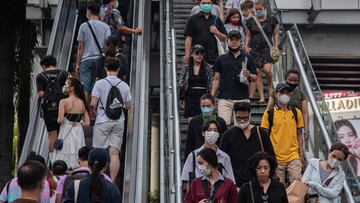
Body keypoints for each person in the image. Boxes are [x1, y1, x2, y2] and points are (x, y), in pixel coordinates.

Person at [90, 56, 132, 182]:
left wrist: (93, 113)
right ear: (119, 69)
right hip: (118, 121)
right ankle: (112, 182)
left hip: (102, 120)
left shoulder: (99, 84)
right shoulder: (124, 85)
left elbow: (93, 103)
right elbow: (128, 105)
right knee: (114, 153)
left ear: (105, 68)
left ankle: (97, 179)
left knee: (99, 151)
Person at [220, 102, 275, 188]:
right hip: (235, 184)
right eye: (239, 118)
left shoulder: (261, 133)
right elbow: (222, 161)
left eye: (245, 118)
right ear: (234, 115)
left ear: (250, 115)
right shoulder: (227, 135)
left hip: (259, 183)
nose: (242, 120)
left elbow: (272, 158)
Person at [261, 83, 304, 186]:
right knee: (278, 186)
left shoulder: (296, 112)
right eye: (282, 92)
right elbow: (264, 136)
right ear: (276, 94)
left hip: (293, 155)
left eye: (287, 93)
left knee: (297, 181)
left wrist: (301, 154)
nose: (285, 95)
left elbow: (299, 134)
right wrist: (266, 155)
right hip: (275, 156)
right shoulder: (268, 114)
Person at [211, 30, 257, 125]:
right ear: (227, 41)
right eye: (231, 39)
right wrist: (211, 96)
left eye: (236, 39)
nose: (234, 42)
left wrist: (249, 75)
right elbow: (216, 79)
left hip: (242, 98)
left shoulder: (248, 58)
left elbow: (255, 78)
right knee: (222, 126)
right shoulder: (220, 59)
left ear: (241, 41)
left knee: (243, 127)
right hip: (224, 98)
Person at [182, 120, 235, 192]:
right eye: (209, 130)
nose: (212, 133)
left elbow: (230, 182)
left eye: (215, 130)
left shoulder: (225, 157)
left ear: (219, 134)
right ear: (203, 133)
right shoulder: (193, 156)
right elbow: (187, 181)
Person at [76, 3, 111, 103]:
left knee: (86, 89)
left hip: (86, 61)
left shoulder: (83, 26)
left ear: (89, 12)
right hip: (100, 60)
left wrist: (78, 64)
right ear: (99, 13)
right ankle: (96, 111)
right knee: (99, 86)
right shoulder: (105, 27)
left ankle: (87, 113)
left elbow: (80, 47)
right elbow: (108, 45)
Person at [53, 77, 90, 169]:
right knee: (77, 150)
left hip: (66, 129)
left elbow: (60, 120)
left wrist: (58, 119)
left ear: (72, 88)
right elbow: (87, 123)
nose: (64, 86)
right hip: (78, 130)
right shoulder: (82, 102)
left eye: (66, 84)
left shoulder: (63, 101)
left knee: (65, 150)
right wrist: (78, 123)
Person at [246, 0, 279, 104]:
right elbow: (248, 35)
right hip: (254, 49)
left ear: (265, 9)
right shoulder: (251, 20)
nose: (258, 11)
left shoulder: (272, 20)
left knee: (267, 69)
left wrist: (276, 46)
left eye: (260, 9)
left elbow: (275, 34)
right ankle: (261, 97)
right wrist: (246, 46)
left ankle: (270, 85)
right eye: (256, 9)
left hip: (267, 49)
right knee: (257, 73)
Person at [36, 55, 68, 156]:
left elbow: (41, 94)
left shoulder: (40, 76)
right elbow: (68, 90)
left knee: (51, 135)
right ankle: (63, 158)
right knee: (64, 134)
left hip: (49, 110)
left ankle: (52, 162)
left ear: (44, 65)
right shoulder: (64, 73)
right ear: (55, 63)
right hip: (63, 108)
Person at [267, 70, 310, 140]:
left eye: (295, 81)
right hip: (278, 126)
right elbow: (269, 109)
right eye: (290, 80)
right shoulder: (276, 92)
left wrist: (306, 129)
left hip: (295, 126)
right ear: (285, 79)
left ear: (298, 82)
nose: (293, 82)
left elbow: (305, 113)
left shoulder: (301, 94)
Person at [183, 0, 227, 65]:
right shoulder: (192, 19)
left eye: (208, 3)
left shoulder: (217, 19)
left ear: (212, 5)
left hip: (213, 58)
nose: (206, 5)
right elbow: (188, 38)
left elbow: (225, 38)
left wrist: (217, 32)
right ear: (199, 5)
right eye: (204, 3)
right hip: (196, 57)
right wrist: (187, 55)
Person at [184, 94, 227, 158]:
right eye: (203, 106)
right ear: (200, 106)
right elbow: (190, 143)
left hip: (217, 156)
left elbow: (225, 143)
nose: (206, 108)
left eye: (208, 106)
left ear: (214, 106)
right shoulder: (194, 122)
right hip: (198, 157)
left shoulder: (221, 122)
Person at [179, 44, 213, 122]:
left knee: (205, 120)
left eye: (201, 53)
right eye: (197, 53)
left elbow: (211, 83)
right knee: (191, 121)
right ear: (192, 54)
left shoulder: (208, 68)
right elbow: (181, 82)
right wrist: (182, 98)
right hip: (190, 95)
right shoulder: (186, 67)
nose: (199, 55)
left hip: (204, 95)